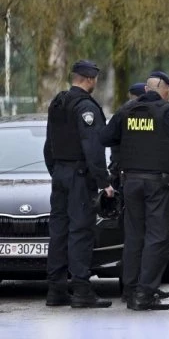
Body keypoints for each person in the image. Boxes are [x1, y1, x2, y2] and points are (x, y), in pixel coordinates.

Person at [100, 70, 169, 311]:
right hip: (159, 184)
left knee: (135, 236)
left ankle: (130, 289)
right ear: (165, 89)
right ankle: (145, 293)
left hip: (131, 183)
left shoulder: (126, 111)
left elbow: (105, 137)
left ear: (146, 90)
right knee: (158, 236)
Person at [43, 60, 114, 308]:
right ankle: (82, 290)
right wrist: (103, 181)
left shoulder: (58, 102)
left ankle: (56, 290)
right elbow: (92, 147)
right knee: (80, 232)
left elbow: (49, 145)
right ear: (89, 79)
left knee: (58, 232)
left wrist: (56, 171)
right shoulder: (85, 107)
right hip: (78, 176)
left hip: (60, 174)